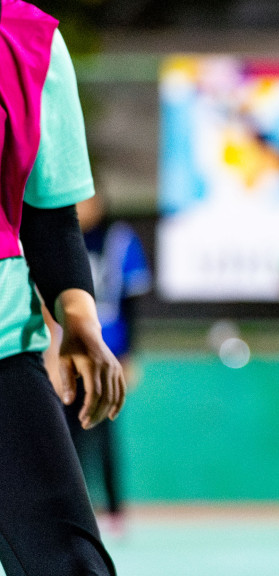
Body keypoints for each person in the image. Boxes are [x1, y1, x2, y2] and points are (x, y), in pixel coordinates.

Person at [0, 0, 127, 576]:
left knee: (68, 565)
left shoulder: (28, 41)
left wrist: (79, 316)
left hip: (2, 355)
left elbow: (48, 214)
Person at [61, 194, 152, 533]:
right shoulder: (55, 236)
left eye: (90, 201)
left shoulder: (119, 239)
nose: (84, 208)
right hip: (66, 352)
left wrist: (128, 354)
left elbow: (131, 303)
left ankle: (115, 509)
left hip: (107, 350)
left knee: (104, 431)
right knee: (66, 434)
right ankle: (72, 509)